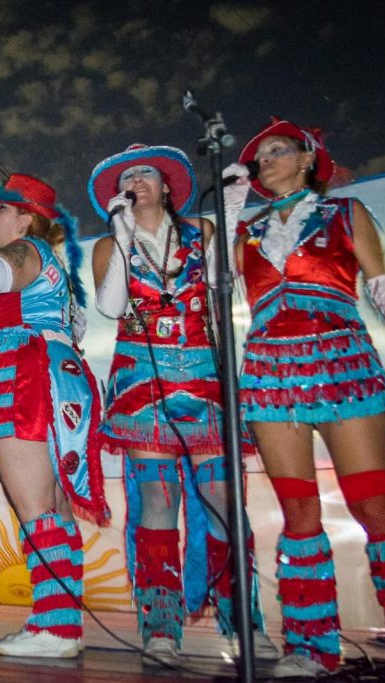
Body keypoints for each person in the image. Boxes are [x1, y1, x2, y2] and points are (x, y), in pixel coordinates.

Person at [224, 117, 385, 682]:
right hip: (269, 373)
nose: (265, 160)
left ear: (309, 159)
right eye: (261, 155)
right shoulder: (248, 230)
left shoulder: (344, 213)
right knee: (298, 513)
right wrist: (232, 212)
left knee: (373, 504)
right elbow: (214, 284)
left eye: (278, 150)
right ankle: (311, 647)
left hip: (342, 364)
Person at [88, 145, 278, 665]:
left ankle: (242, 622)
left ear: (167, 184)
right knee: (157, 498)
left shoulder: (201, 231)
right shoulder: (108, 243)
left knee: (222, 498)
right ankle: (161, 629)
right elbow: (111, 306)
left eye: (146, 173)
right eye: (127, 177)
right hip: (141, 381)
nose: (136, 181)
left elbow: (220, 284)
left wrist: (231, 215)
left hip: (203, 376)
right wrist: (123, 233)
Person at [0, 174, 110, 658]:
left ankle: (55, 628)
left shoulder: (25, 251)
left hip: (22, 378)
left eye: (1, 209)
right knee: (51, 507)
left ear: (26, 219)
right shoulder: (45, 260)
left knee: (35, 506)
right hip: (46, 375)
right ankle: (60, 622)